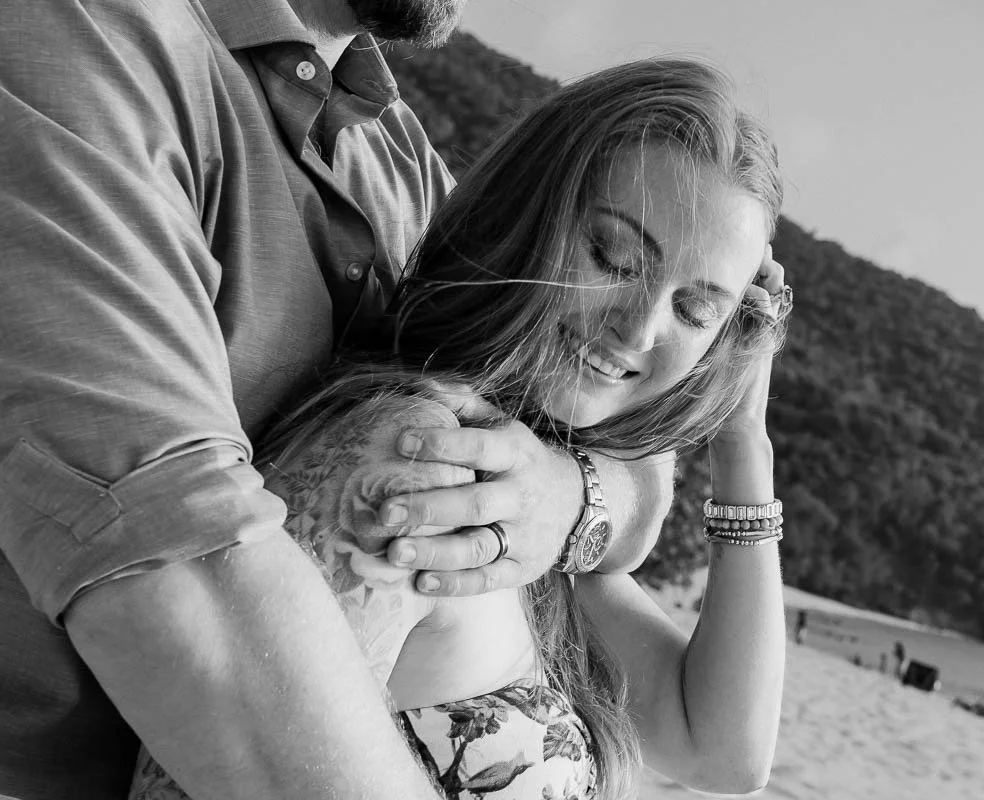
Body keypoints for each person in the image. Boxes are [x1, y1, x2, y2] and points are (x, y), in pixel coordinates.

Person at [0, 1, 676, 798]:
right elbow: (171, 560)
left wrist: (572, 497)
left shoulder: (397, 154)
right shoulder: (76, 36)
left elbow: (602, 435)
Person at [130, 56, 791, 800]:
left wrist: (743, 442)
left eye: (694, 311)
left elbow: (724, 753)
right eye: (614, 256)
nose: (638, 330)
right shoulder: (422, 465)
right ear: (525, 213)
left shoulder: (523, 504)